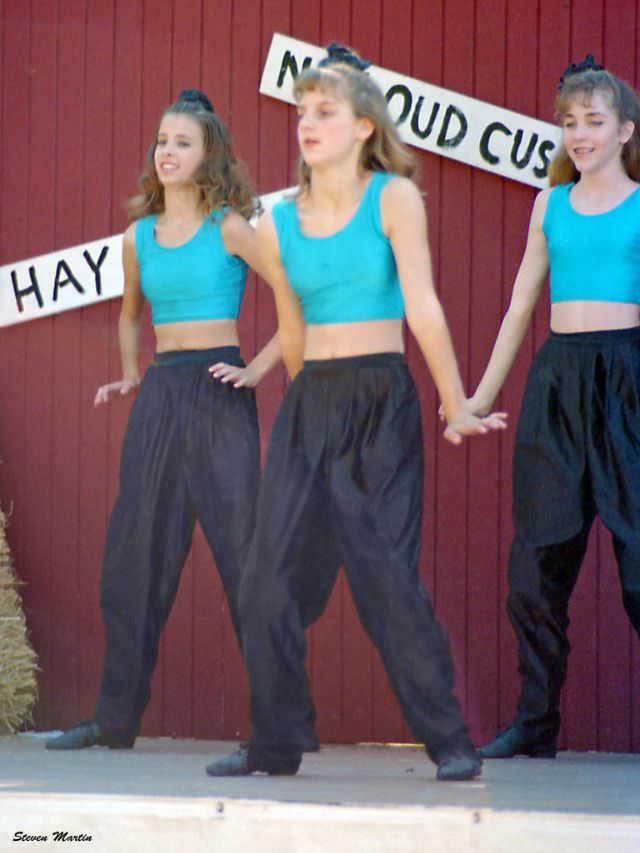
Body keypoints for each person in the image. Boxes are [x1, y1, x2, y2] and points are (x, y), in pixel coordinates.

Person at [205, 44, 506, 783]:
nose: (307, 124)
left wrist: (454, 400)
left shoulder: (393, 198)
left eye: (325, 112)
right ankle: (276, 743)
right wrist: (304, 428)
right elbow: (294, 325)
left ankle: (450, 741)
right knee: (266, 579)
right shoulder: (278, 218)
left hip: (381, 398)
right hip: (314, 405)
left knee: (384, 574)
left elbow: (424, 307)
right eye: (302, 112)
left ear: (364, 125)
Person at [46, 89, 284, 750]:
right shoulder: (137, 236)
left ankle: (277, 726)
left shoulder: (231, 226)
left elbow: (297, 300)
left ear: (209, 154)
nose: (168, 152)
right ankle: (115, 719)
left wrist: (259, 369)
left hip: (218, 390)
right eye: (162, 141)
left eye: (183, 142)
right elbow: (129, 313)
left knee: (244, 558)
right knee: (135, 558)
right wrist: (130, 373)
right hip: (160, 395)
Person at [468, 56, 640, 759]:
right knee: (534, 568)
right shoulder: (550, 205)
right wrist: (477, 397)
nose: (579, 134)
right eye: (569, 122)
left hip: (628, 381)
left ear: (626, 130)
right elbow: (518, 308)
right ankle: (535, 725)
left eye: (594, 122)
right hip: (557, 388)